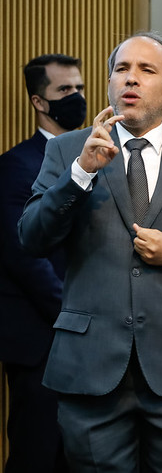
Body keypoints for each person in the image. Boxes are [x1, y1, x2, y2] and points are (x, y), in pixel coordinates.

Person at [18, 32, 162, 472]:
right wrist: (79, 177)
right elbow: (31, 237)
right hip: (90, 372)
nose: (130, 78)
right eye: (121, 69)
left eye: (146, 70)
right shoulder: (67, 151)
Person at [0, 53, 85, 472]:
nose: (77, 97)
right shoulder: (15, 166)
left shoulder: (103, 160)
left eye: (81, 88)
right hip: (41, 341)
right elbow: (24, 256)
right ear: (39, 101)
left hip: (94, 344)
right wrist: (74, 315)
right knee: (37, 456)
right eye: (64, 90)